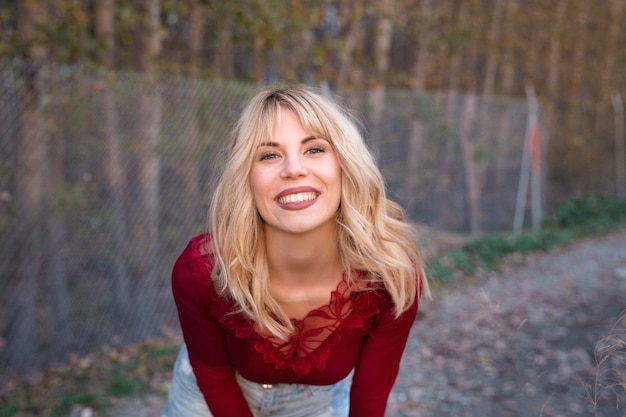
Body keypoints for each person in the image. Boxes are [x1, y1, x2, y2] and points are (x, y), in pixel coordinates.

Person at [162, 84, 430, 417]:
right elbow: (214, 375)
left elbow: (371, 394)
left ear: (346, 164)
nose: (293, 169)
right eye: (269, 155)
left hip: (315, 404)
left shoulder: (392, 274)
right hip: (206, 398)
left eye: (314, 149)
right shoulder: (202, 270)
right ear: (246, 178)